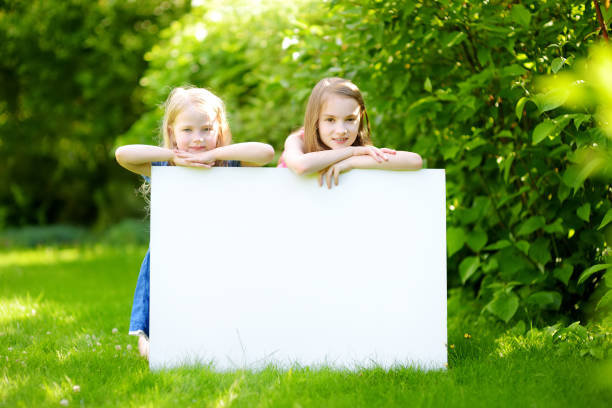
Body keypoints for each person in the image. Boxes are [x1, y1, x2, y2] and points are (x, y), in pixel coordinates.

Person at [115, 86, 274, 358]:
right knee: (154, 343)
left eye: (206, 129)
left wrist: (215, 155)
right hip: (174, 255)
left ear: (219, 131)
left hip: (219, 251)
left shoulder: (228, 165)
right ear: (172, 133)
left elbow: (266, 153)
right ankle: (151, 340)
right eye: (187, 130)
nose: (197, 139)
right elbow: (123, 154)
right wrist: (173, 155)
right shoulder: (167, 168)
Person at [279, 77, 422, 187]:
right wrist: (351, 152)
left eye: (350, 119)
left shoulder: (358, 150)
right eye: (330, 120)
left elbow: (414, 161)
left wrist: (352, 162)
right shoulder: (298, 140)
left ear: (360, 118)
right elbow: (301, 166)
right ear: (315, 120)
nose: (341, 131)